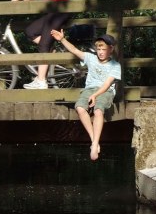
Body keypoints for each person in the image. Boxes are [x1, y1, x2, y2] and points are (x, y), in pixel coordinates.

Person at [50, 30, 121, 161]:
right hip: (89, 89)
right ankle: (94, 141)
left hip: (105, 91)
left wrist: (95, 95)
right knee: (80, 107)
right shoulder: (91, 58)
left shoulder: (115, 65)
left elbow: (107, 85)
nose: (100, 52)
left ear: (111, 49)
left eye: (104, 49)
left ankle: (95, 142)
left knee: (98, 110)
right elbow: (74, 50)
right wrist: (62, 39)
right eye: (98, 49)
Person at [11, 0, 70, 89]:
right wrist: (17, 9)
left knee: (43, 44)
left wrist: (9, 5)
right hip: (54, 12)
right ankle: (50, 49)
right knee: (30, 31)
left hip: (59, 11)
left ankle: (41, 80)